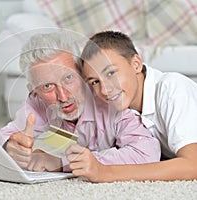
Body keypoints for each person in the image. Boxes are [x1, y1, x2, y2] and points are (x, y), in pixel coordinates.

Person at [0, 31, 160, 173]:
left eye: (68, 78)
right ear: (34, 91)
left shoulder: (110, 98)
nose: (63, 96)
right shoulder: (37, 102)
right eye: (47, 86)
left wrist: (63, 162)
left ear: (82, 74)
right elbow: (4, 137)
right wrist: (10, 147)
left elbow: (147, 153)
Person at [74, 30, 197, 182]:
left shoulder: (172, 88)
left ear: (136, 64)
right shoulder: (118, 108)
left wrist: (106, 173)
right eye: (95, 82)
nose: (105, 90)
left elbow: (193, 166)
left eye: (111, 73)